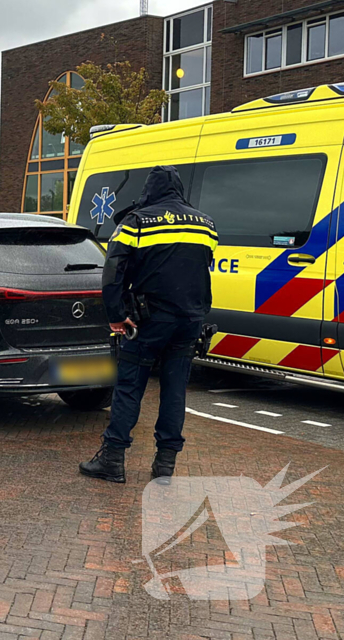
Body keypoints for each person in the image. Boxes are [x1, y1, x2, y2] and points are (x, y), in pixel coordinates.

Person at [79, 165, 217, 485]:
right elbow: (201, 266)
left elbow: (113, 272)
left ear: (149, 190)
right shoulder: (206, 224)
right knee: (174, 391)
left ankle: (113, 459)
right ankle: (165, 465)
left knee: (129, 388)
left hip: (148, 319)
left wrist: (115, 315)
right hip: (190, 320)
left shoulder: (136, 222)